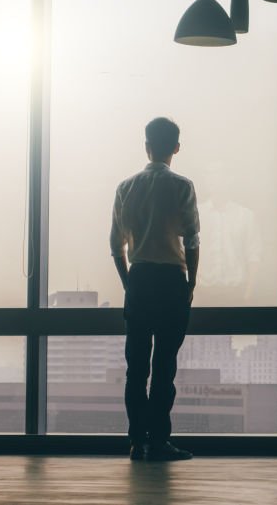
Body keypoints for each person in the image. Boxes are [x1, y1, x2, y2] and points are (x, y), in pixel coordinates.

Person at [110, 117, 199, 462]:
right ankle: (159, 441)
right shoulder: (182, 186)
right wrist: (191, 280)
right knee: (164, 367)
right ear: (176, 147)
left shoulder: (125, 188)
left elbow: (116, 246)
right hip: (171, 281)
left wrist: (128, 282)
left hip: (141, 279)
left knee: (136, 368)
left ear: (146, 145)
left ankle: (137, 442)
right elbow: (191, 238)